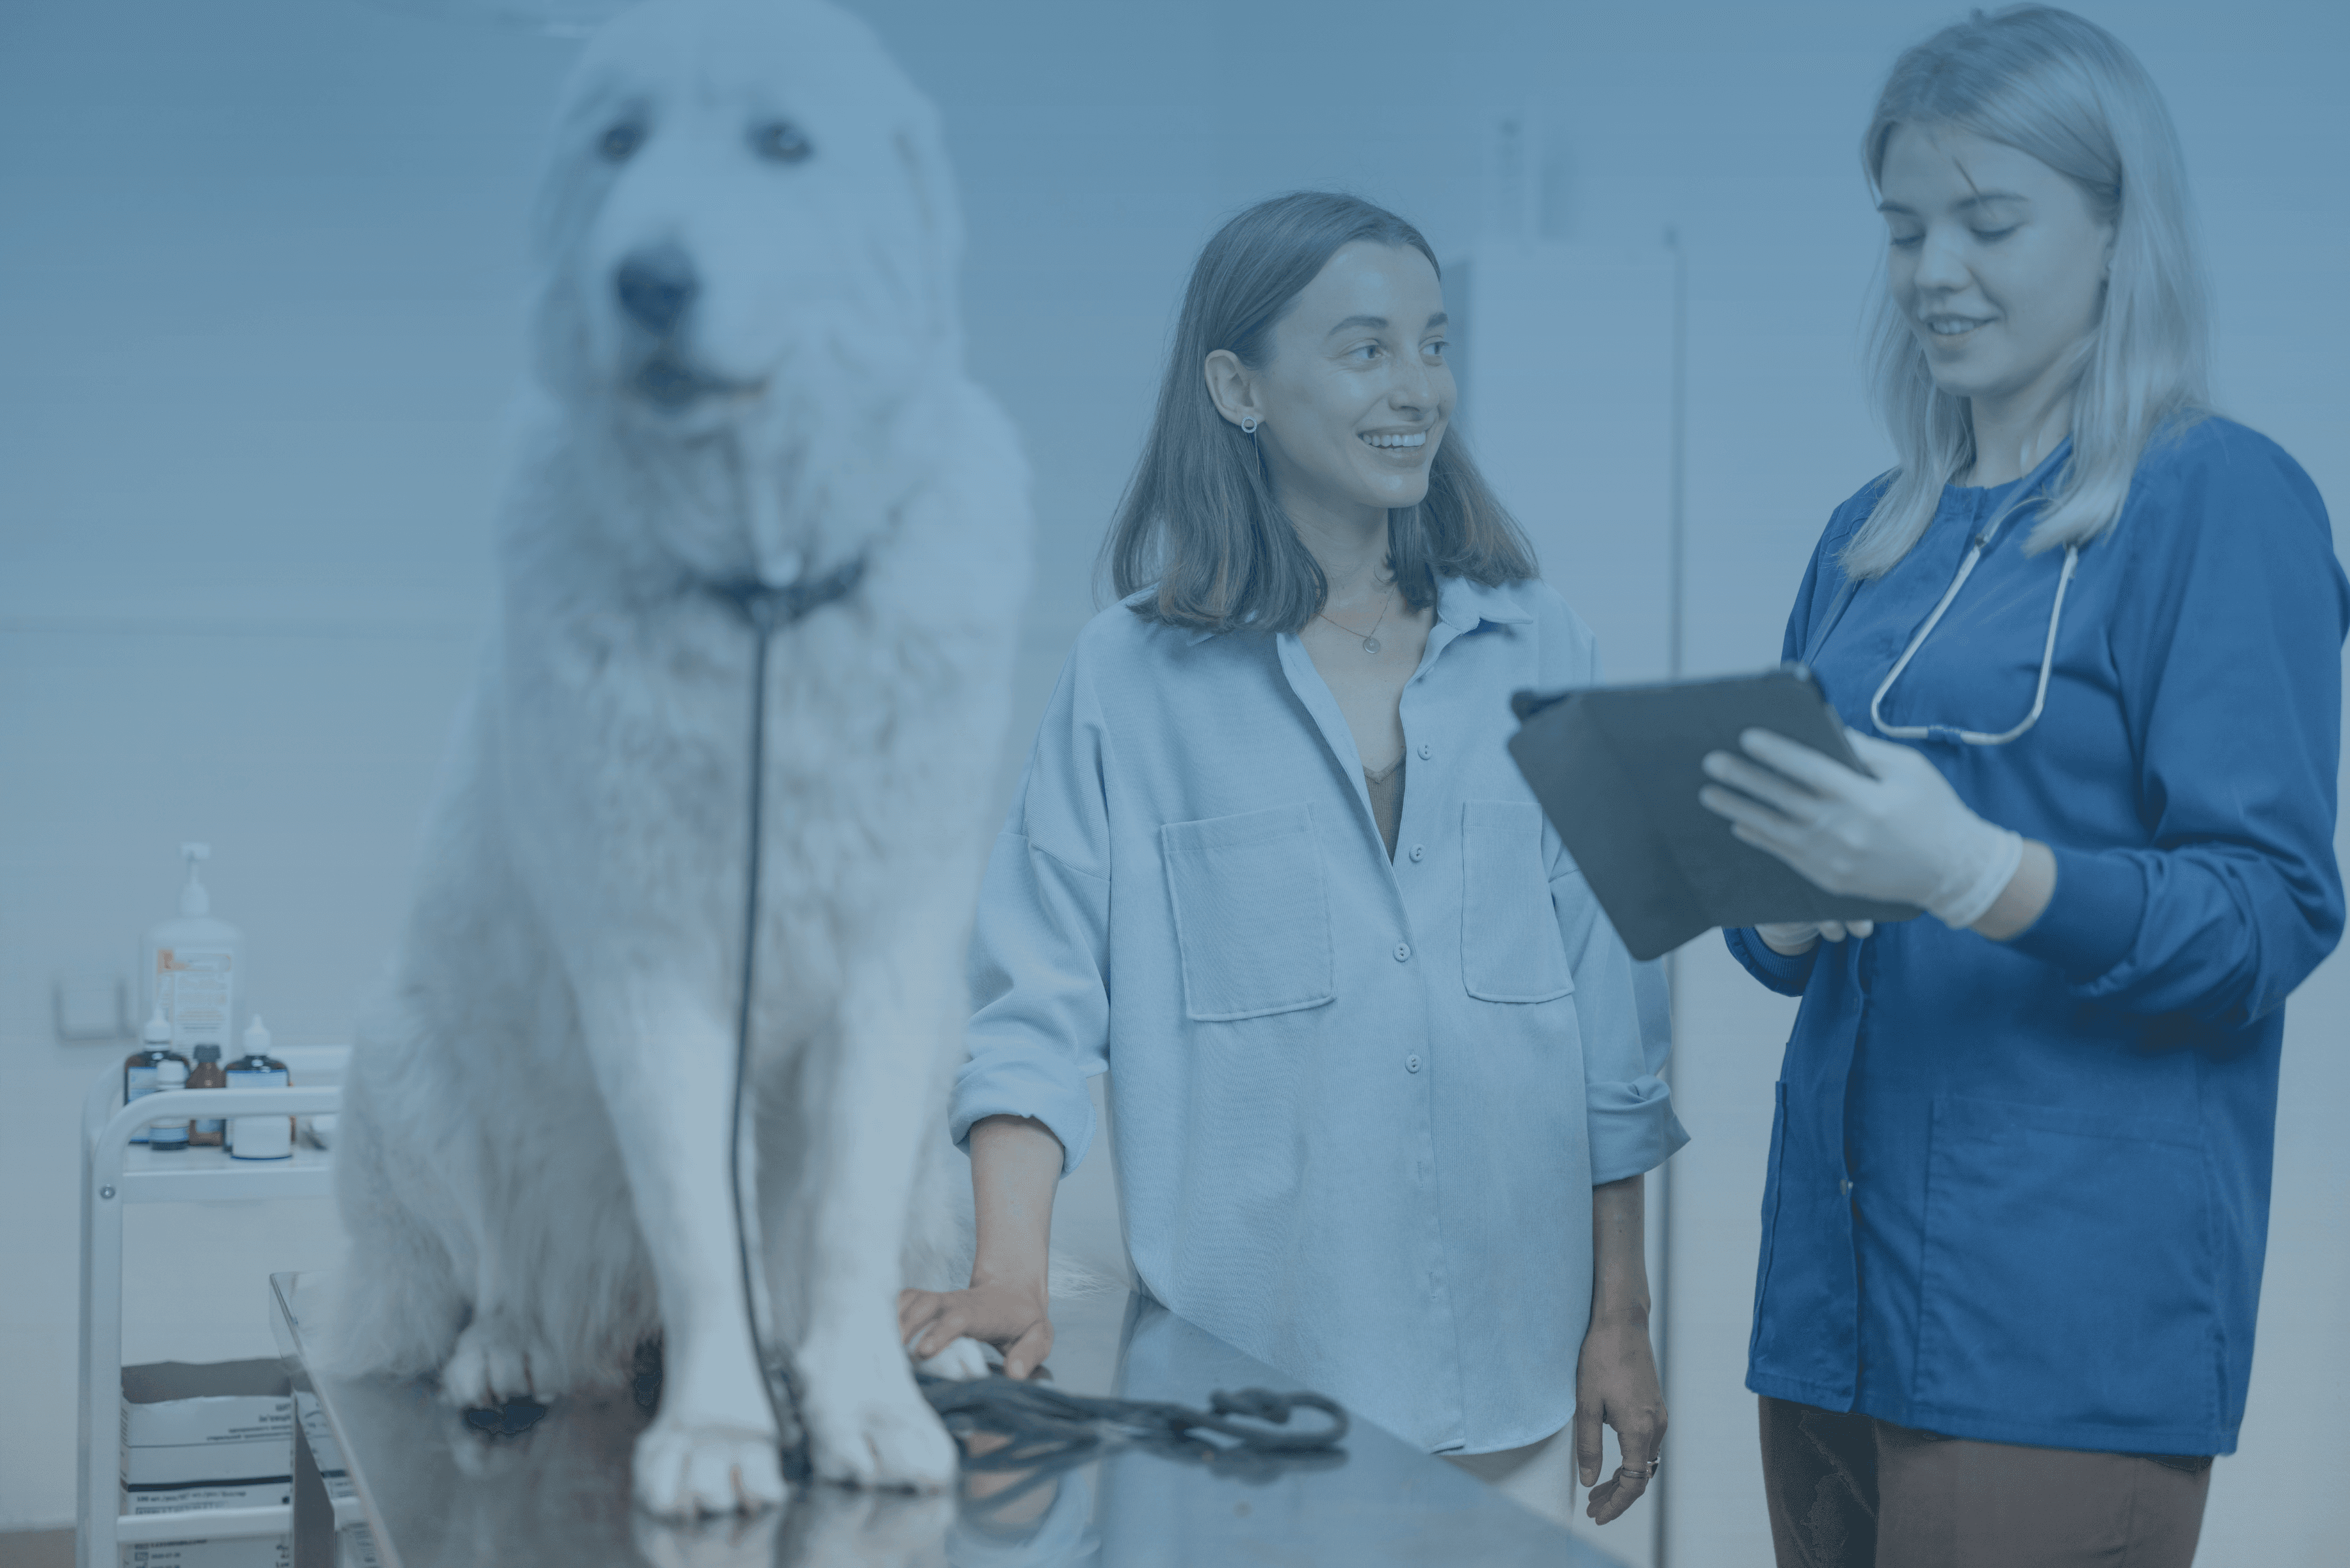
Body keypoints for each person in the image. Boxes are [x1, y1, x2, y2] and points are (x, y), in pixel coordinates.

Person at [897, 191, 1687, 1527]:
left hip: (1513, 1390)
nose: (1419, 389)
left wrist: (1623, 1315)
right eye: (1366, 349)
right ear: (1238, 388)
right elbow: (1035, 1011)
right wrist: (1009, 1276)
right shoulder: (1127, 683)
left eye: (1434, 345)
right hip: (1244, 1418)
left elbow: (1613, 1028)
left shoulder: (1546, 646)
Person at [1693, 8, 2347, 1566]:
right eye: (1903, 228)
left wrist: (1975, 873)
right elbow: (1776, 933)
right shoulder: (1869, 534)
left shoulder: (2216, 499)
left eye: (1988, 224)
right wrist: (1777, 905)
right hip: (1831, 1308)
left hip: (2059, 1322)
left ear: (2119, 232)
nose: (1933, 270)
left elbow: (2268, 913)